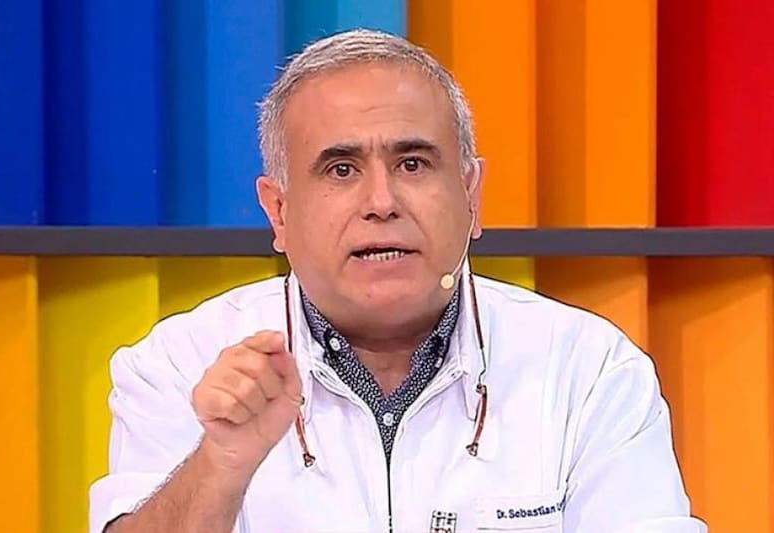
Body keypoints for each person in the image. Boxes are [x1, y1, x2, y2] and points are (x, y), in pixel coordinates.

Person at [90, 29, 707, 533]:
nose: (381, 202)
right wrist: (221, 463)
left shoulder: (588, 370)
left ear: (471, 194)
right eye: (341, 169)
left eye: (413, 163)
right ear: (278, 211)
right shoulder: (180, 364)